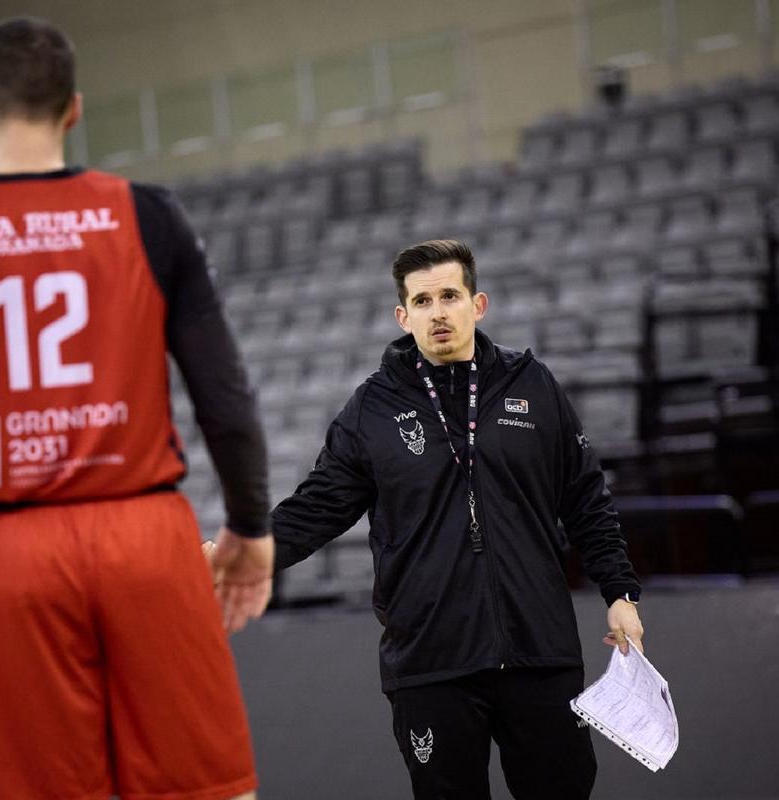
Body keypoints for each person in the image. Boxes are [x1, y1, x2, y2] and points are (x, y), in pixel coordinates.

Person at [0, 17, 273, 800]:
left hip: (5, 559)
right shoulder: (149, 216)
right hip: (148, 539)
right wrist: (250, 524)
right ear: (75, 110)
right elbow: (226, 397)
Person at [242, 239, 644, 799]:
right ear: (403, 317)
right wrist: (245, 553)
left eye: (450, 296)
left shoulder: (532, 386)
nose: (439, 313)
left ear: (477, 305)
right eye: (423, 301)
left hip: (538, 651)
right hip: (431, 663)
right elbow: (317, 508)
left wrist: (620, 592)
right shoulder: (372, 410)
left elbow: (584, 498)